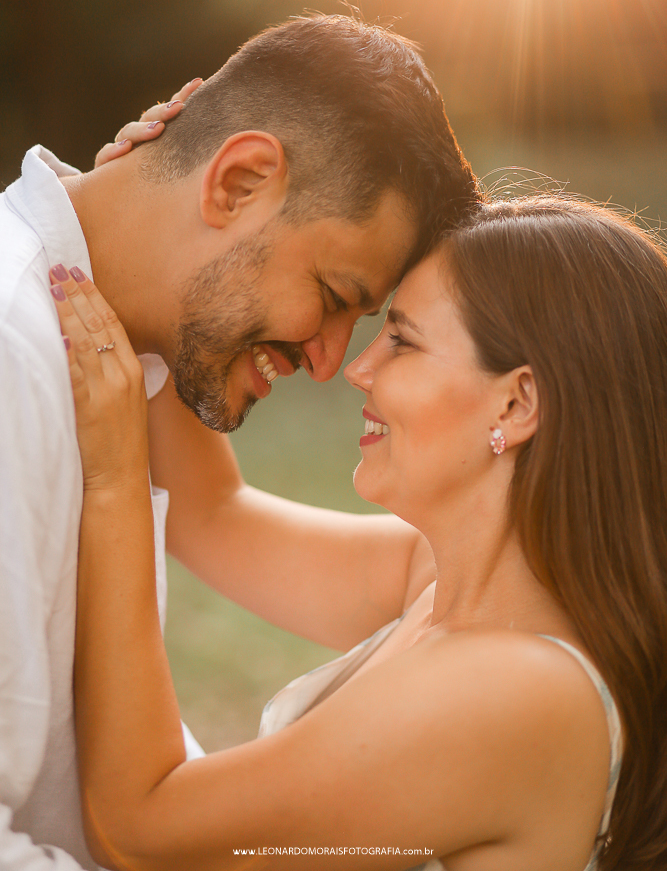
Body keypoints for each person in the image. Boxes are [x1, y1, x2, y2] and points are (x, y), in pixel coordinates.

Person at [54, 195, 667, 870]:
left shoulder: (519, 689)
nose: (358, 368)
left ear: (516, 403)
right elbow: (212, 512)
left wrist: (113, 481)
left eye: (402, 340)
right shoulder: (434, 580)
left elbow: (140, 829)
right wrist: (157, 238)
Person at [0, 14, 478, 870]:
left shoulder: (93, 356)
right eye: (335, 294)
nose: (335, 364)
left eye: (385, 331)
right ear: (239, 179)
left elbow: (216, 513)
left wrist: (141, 219)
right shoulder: (16, 357)